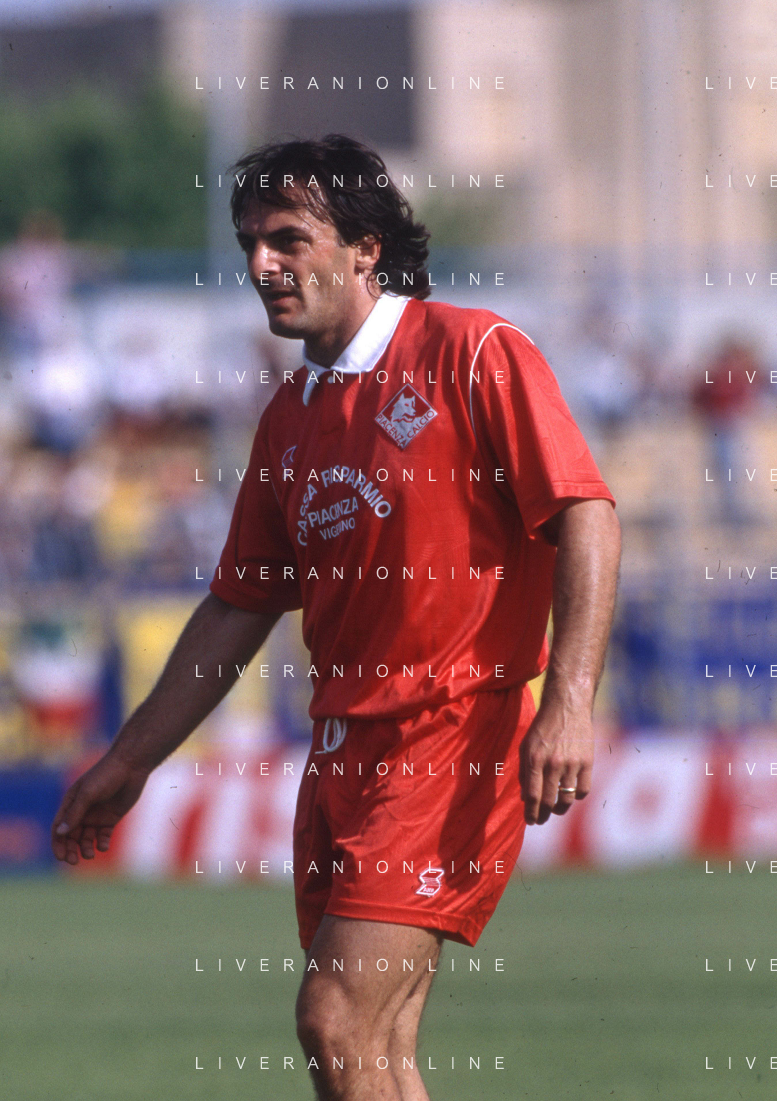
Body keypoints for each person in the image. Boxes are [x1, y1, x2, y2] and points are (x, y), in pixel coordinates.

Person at [51, 135, 621, 1101]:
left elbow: (586, 512)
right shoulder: (290, 416)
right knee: (371, 1053)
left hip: (450, 735)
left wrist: (567, 700)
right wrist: (130, 759)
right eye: (251, 242)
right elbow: (240, 603)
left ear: (365, 248)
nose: (261, 264)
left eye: (288, 238)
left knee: (336, 1017)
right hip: (340, 753)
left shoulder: (472, 351)